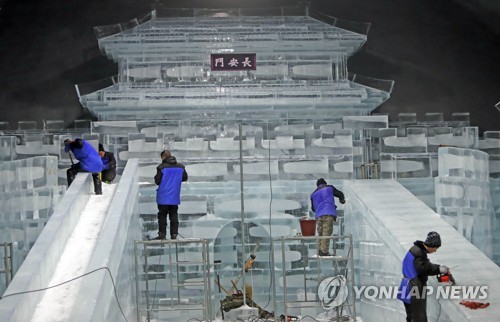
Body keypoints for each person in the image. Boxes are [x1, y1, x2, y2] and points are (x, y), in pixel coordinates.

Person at [398, 231, 450, 322]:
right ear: (431, 245)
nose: (435, 251)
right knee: (419, 318)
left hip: (406, 286)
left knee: (411, 316)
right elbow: (424, 268)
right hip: (413, 288)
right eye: (435, 248)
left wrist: (438, 268)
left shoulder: (415, 249)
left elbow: (424, 265)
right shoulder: (419, 254)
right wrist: (440, 269)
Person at [154, 150, 188, 240]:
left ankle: (162, 234)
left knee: (162, 215)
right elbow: (185, 178)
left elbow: (157, 181)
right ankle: (174, 234)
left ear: (163, 157)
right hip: (174, 196)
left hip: (163, 196)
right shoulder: (181, 167)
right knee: (173, 215)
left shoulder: (161, 168)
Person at [310, 178, 345, 256]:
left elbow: (312, 208)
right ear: (325, 183)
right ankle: (324, 252)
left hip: (319, 215)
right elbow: (340, 194)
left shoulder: (313, 194)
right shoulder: (329, 188)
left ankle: (319, 250)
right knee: (327, 232)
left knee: (321, 233)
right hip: (328, 213)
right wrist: (342, 200)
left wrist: (319, 208)